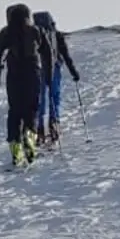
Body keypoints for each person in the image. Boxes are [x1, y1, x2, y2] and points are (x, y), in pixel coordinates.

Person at [0, 3, 53, 166]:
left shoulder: (6, 32)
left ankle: (15, 148)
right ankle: (30, 141)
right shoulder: (36, 31)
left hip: (14, 74)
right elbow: (48, 52)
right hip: (33, 72)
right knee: (32, 109)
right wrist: (49, 76)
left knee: (15, 112)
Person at [31, 11, 80, 146]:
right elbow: (65, 55)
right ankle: (54, 125)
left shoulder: (34, 35)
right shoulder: (56, 35)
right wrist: (74, 72)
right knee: (55, 97)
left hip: (38, 69)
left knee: (41, 98)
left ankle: (40, 129)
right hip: (55, 67)